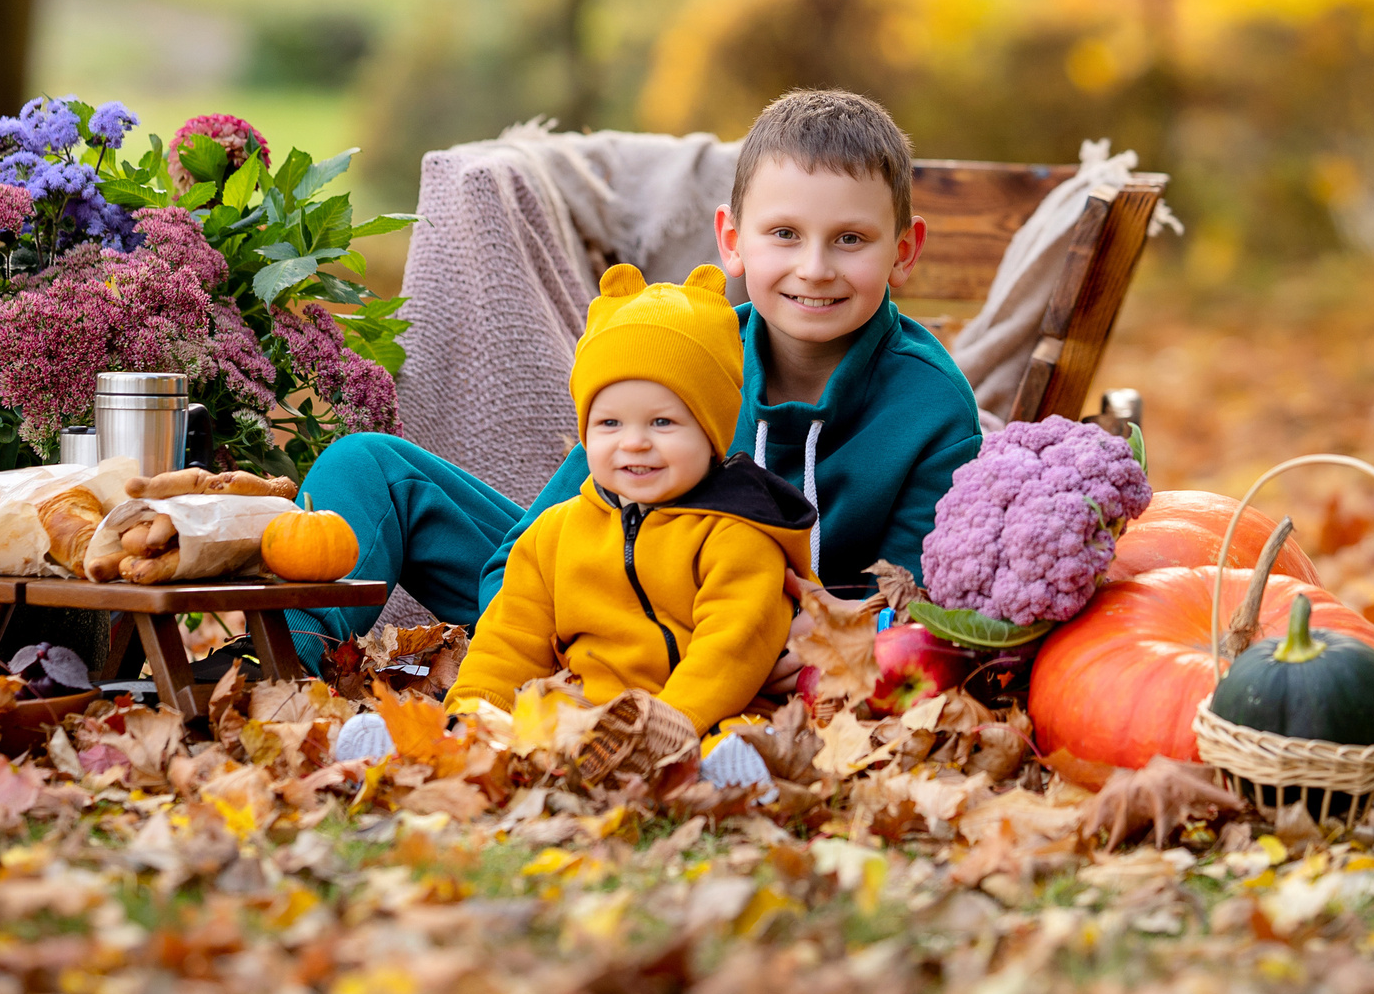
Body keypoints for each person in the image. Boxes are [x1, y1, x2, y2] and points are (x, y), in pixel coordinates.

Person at [283, 87, 984, 670]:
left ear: (904, 249)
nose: (815, 267)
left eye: (851, 239)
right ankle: (283, 668)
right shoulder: (683, 350)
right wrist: (539, 636)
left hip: (765, 656)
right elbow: (528, 547)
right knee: (366, 464)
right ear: (732, 240)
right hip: (602, 608)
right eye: (784, 234)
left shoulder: (931, 405)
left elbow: (907, 603)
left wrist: (773, 645)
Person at [445, 263, 814, 734]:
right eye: (610, 424)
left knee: (733, 749)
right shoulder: (554, 535)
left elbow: (732, 648)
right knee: (520, 737)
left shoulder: (736, 531)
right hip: (586, 718)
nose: (634, 442)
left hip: (704, 719)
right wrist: (476, 710)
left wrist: (669, 725)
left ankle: (732, 774)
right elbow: (508, 638)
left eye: (662, 422)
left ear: (711, 432)